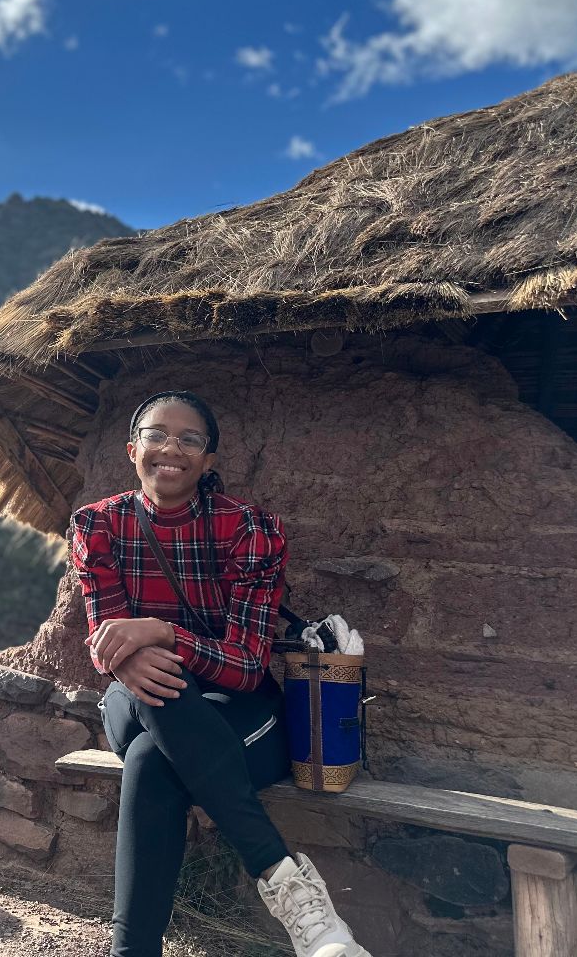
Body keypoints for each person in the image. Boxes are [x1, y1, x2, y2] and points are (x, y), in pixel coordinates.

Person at [72, 390, 371, 957]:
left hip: (241, 714)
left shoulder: (249, 530)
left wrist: (163, 633)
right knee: (161, 692)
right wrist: (130, 651)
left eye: (190, 440)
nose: (171, 449)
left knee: (150, 760)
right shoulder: (99, 525)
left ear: (207, 459)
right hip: (136, 698)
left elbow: (247, 666)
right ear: (132, 449)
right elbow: (105, 642)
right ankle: (289, 888)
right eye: (156, 435)